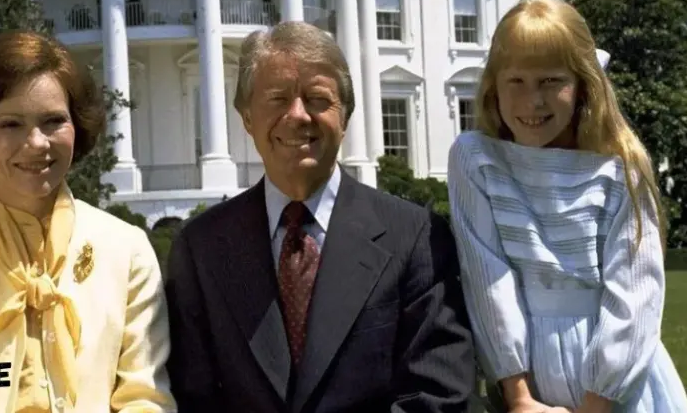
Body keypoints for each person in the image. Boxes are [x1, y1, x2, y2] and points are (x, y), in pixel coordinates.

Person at [165, 21, 476, 413]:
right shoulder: (200, 249)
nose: (298, 116)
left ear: (344, 117)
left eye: (317, 99)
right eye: (278, 99)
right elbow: (190, 397)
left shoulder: (415, 238)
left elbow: (436, 395)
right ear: (246, 117)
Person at [0, 30, 176, 413]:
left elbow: (145, 400)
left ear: (77, 128)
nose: (38, 142)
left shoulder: (127, 251)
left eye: (53, 121)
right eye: (11, 124)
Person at [446, 0, 687, 413]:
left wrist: (596, 405)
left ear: (582, 85)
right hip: (525, 385)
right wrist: (519, 397)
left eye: (550, 82)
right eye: (517, 82)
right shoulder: (476, 159)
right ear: (494, 87)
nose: (533, 102)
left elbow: (635, 297)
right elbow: (487, 281)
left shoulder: (619, 168)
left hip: (617, 389)